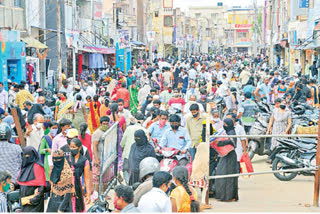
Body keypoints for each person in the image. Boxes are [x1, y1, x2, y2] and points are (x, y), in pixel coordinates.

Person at [13, 146, 47, 212]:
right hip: (24, 201)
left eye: (29, 155)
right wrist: (15, 185)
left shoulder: (38, 166)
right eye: (25, 155)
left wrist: (33, 200)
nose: (26, 157)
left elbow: (41, 186)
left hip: (34, 203)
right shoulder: (24, 166)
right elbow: (22, 181)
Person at [62, 138, 91, 212]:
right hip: (66, 186)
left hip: (77, 186)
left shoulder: (84, 161)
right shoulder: (66, 159)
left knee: (77, 206)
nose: (71, 149)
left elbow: (86, 178)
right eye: (70, 147)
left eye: (74, 147)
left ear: (79, 148)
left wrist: (88, 193)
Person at [213, 118, 238, 202]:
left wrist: (220, 143)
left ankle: (229, 196)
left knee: (229, 176)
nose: (224, 126)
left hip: (230, 156)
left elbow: (233, 143)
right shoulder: (226, 132)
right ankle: (222, 195)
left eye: (225, 124)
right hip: (224, 155)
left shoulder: (232, 132)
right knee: (221, 173)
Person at [121, 113, 148, 184]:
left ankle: (128, 184)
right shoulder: (144, 130)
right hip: (139, 156)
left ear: (135, 119)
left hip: (127, 154)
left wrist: (123, 147)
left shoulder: (129, 128)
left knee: (126, 170)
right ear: (142, 121)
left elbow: (122, 142)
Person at [92, 116, 110, 191]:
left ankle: (104, 193)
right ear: (100, 124)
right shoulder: (97, 133)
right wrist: (96, 159)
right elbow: (94, 147)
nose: (105, 125)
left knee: (106, 177)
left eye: (107, 123)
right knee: (97, 176)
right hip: (99, 157)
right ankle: (96, 194)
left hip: (106, 158)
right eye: (103, 124)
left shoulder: (109, 131)